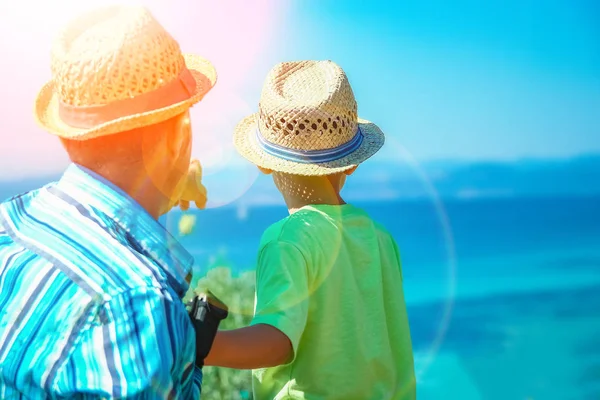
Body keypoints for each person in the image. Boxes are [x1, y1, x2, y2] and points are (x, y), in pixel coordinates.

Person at [0, 6, 216, 399]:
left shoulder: (12, 225)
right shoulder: (138, 303)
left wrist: (165, 180)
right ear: (179, 139)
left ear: (67, 137)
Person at [204, 61, 417, 399]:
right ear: (353, 162)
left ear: (262, 161)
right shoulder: (380, 239)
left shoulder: (287, 239)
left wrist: (202, 345)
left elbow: (276, 342)